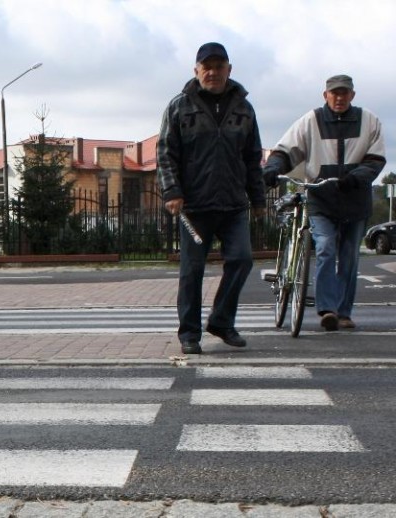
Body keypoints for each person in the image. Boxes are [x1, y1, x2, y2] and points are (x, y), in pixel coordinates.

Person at [157, 42, 266, 355]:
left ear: (228, 70)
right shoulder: (179, 106)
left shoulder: (244, 108)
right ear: (196, 70)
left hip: (233, 204)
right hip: (194, 206)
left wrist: (258, 199)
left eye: (219, 67)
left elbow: (252, 156)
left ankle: (221, 321)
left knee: (242, 260)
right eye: (206, 67)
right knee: (192, 270)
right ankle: (189, 333)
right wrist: (172, 191)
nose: (212, 72)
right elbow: (166, 152)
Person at [263, 74, 386, 331]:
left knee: (350, 256)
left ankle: (344, 312)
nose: (339, 98)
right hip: (322, 199)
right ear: (325, 95)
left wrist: (354, 178)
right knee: (326, 247)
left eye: (344, 93)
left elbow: (375, 160)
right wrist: (273, 168)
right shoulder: (311, 121)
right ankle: (328, 309)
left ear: (352, 95)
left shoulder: (369, 121)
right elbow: (286, 150)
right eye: (334, 93)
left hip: (355, 199)